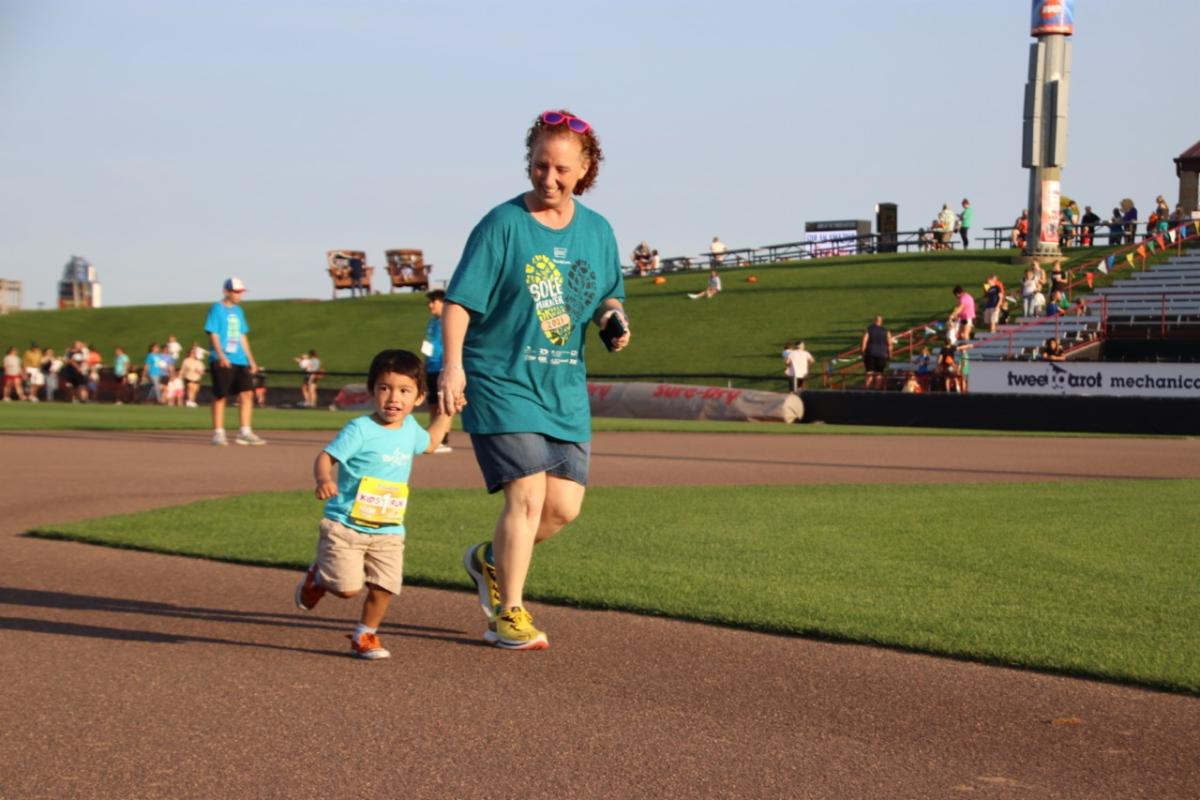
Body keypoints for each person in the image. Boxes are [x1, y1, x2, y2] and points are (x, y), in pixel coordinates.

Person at [440, 108, 630, 650]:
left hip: (562, 386)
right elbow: (459, 302)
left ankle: (489, 560)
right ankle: (509, 613)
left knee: (563, 509)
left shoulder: (598, 231)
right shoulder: (502, 224)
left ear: (585, 168)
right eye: (540, 165)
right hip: (500, 378)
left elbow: (608, 296)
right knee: (525, 495)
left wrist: (613, 320)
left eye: (562, 169)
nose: (549, 178)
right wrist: (452, 365)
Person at [294, 349, 455, 660]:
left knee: (385, 586)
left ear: (419, 398)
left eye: (404, 391)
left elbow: (433, 442)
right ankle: (318, 577)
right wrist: (323, 479)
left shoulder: (410, 429)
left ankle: (365, 634)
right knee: (347, 589)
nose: (394, 398)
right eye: (384, 388)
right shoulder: (360, 429)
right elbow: (326, 457)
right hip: (346, 525)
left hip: (389, 528)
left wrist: (448, 411)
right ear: (371, 391)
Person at [205, 276, 265, 446]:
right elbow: (213, 333)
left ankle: (245, 432)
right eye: (236, 292)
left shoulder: (239, 311)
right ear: (226, 291)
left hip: (240, 359)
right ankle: (218, 433)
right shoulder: (217, 309)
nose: (239, 295)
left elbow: (242, 335)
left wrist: (250, 359)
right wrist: (220, 355)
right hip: (223, 358)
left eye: (241, 292)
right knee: (220, 395)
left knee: (247, 393)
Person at [421, 289, 452, 453]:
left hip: (443, 367)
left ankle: (443, 438)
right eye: (429, 301)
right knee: (432, 403)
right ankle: (434, 436)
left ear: (443, 303)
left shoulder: (449, 320)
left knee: (444, 403)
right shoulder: (432, 322)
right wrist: (425, 364)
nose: (430, 305)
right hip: (432, 367)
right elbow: (428, 345)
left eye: (434, 301)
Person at [860, 315, 892, 390]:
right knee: (879, 373)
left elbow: (864, 342)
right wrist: (890, 354)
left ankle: (866, 390)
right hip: (882, 354)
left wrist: (862, 352)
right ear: (881, 321)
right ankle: (877, 391)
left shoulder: (869, 330)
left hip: (870, 353)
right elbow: (890, 344)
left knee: (869, 372)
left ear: (874, 321)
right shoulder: (886, 331)